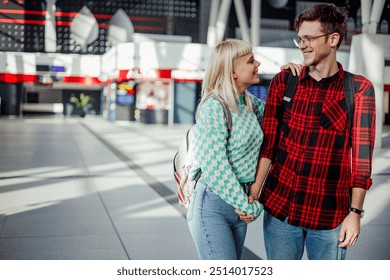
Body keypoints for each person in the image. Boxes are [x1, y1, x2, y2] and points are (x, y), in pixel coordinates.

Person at [238, 3, 376, 260]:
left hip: (329, 217)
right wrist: (254, 192)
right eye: (300, 39)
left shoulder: (358, 90)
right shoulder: (285, 81)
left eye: (310, 38)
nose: (302, 45)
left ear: (333, 39)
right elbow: (269, 145)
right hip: (281, 209)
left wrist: (355, 214)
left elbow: (361, 160)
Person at [186, 39, 265, 260]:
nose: (257, 63)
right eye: (250, 61)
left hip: (239, 202)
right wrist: (246, 205)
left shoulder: (248, 103)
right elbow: (215, 167)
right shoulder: (214, 107)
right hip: (213, 205)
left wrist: (290, 76)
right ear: (232, 73)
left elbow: (280, 112)